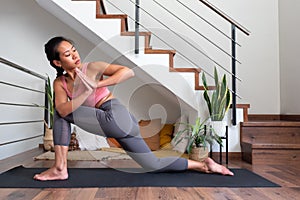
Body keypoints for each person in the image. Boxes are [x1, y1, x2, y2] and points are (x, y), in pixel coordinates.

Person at [33, 36, 233, 181]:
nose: (75, 55)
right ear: (57, 62)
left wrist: (97, 85)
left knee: (60, 114)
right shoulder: (60, 83)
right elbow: (64, 109)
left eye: (74, 50)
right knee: (152, 165)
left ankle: (60, 168)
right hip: (119, 127)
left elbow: (127, 72)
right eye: (68, 54)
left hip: (115, 116)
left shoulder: (92, 68)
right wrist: (85, 92)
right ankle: (204, 165)